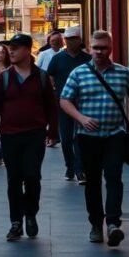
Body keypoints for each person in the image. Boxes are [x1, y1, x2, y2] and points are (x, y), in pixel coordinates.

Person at [60, 30, 129, 247]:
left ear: (111, 48)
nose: (99, 52)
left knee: (114, 178)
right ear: (90, 48)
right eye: (96, 48)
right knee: (92, 182)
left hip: (115, 135)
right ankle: (96, 224)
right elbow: (65, 100)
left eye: (104, 48)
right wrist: (81, 117)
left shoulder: (123, 73)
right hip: (87, 138)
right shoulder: (79, 73)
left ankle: (113, 223)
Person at [0, 33, 58, 242]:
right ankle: (16, 222)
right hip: (10, 136)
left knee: (33, 177)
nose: (11, 51)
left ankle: (30, 213)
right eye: (10, 47)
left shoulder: (42, 77)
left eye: (16, 47)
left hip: (35, 135)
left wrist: (53, 131)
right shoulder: (4, 76)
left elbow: (51, 107)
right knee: (14, 179)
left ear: (28, 50)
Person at [47, 26, 93, 183]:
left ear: (80, 40)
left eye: (74, 39)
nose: (70, 42)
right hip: (64, 103)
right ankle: (70, 166)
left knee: (79, 138)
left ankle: (81, 170)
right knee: (66, 139)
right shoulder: (58, 58)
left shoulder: (87, 59)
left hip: (84, 104)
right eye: (68, 39)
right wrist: (54, 92)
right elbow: (50, 77)